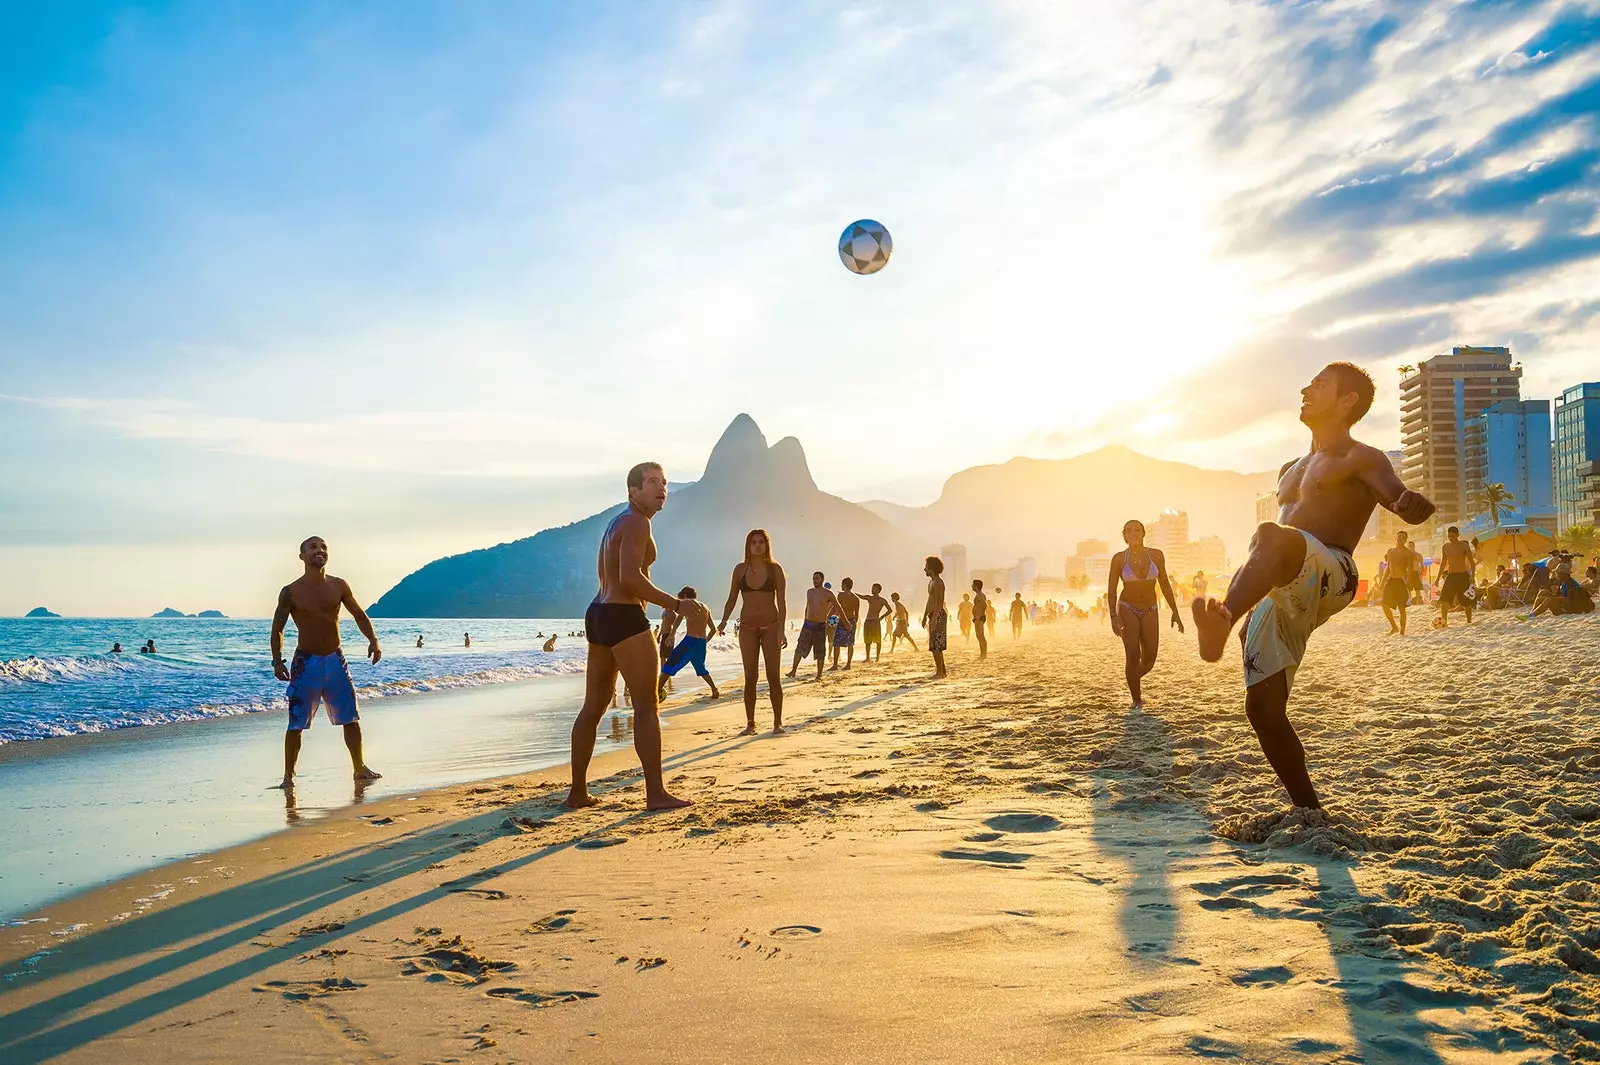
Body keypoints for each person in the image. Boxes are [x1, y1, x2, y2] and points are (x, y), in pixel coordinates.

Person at [1192, 363, 1435, 810]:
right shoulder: (1290, 469)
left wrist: (1409, 505)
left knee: (1268, 534)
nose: (1306, 389)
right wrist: (1254, 602)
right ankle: (1308, 809)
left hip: (1333, 572)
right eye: (1308, 383)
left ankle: (1221, 619)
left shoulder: (1362, 457)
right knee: (1263, 711)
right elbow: (1273, 548)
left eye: (1320, 385)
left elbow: (1395, 496)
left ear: (1348, 402)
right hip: (1283, 585)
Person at [564, 462, 693, 811]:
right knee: (646, 705)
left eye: (664, 483)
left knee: (593, 707)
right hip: (622, 614)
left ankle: (577, 793)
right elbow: (630, 578)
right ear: (633, 491)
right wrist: (675, 604)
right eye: (652, 482)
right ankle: (656, 794)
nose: (661, 488)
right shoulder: (638, 521)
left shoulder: (617, 522)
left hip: (598, 613)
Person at [269, 535, 383, 790]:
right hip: (305, 662)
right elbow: (278, 627)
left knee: (351, 717)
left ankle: (359, 768)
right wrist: (277, 661)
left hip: (335, 660)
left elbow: (359, 614)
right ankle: (289, 776)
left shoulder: (339, 585)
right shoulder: (291, 591)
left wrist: (373, 640)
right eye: (312, 547)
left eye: (323, 547)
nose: (319, 550)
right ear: (302, 556)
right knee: (296, 722)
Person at [718, 529, 788, 734]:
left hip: (771, 626)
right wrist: (723, 621)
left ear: (766, 545)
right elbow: (732, 598)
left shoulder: (775, 570)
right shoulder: (740, 570)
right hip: (747, 628)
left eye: (761, 542)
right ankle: (750, 724)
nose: (757, 545)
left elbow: (782, 602)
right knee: (750, 676)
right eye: (753, 542)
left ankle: (777, 723)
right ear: (748, 546)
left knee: (773, 675)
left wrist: (781, 630)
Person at [1107, 519, 1183, 710]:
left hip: (1151, 608)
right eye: (1129, 531)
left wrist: (1175, 611)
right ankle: (1136, 698)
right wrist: (1113, 617)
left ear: (1143, 533)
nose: (1133, 533)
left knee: (1149, 660)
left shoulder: (1156, 555)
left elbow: (1164, 583)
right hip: (1126, 608)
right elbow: (1112, 589)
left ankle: (1132, 677)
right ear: (1124, 535)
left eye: (1137, 530)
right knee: (1132, 655)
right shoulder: (1118, 559)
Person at [659, 586, 721, 700]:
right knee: (701, 668)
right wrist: (704, 642)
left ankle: (655, 692)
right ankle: (714, 689)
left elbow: (679, 618)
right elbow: (713, 629)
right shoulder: (705, 608)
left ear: (686, 596)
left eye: (681, 600)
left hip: (690, 641)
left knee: (669, 665)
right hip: (701, 643)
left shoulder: (688, 603)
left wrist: (672, 635)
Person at [787, 572, 841, 681]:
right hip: (808, 624)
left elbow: (838, 608)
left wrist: (846, 622)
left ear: (822, 579)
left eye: (816, 578)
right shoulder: (809, 592)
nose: (814, 580)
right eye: (813, 578)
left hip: (820, 625)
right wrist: (804, 619)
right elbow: (807, 607)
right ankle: (793, 671)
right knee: (799, 648)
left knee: (820, 651)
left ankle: (819, 675)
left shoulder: (828, 594)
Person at [1436, 526, 1477, 628]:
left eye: (1453, 536)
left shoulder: (1464, 546)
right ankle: (1444, 622)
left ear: (1458, 535)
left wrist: (1472, 575)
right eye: (1449, 536)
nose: (1451, 538)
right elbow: (1443, 563)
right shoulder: (1445, 547)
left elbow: (1472, 562)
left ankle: (1469, 622)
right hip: (1451, 576)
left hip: (1463, 576)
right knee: (1444, 600)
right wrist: (1437, 578)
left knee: (1466, 601)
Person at [1380, 531, 1416, 634]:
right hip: (1391, 581)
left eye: (1403, 537)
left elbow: (1410, 570)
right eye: (1399, 536)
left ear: (1405, 540)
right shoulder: (1391, 551)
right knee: (1384, 605)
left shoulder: (1408, 553)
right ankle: (1394, 627)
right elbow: (1387, 568)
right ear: (1396, 538)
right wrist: (1382, 582)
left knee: (1401, 608)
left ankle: (1402, 631)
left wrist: (1408, 584)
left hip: (1401, 581)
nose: (1400, 538)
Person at [921, 556, 948, 678]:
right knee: (934, 645)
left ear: (931, 568)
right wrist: (924, 616)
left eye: (926, 567)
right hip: (932, 615)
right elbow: (929, 600)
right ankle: (942, 671)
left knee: (936, 646)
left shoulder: (938, 582)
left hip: (938, 615)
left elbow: (939, 602)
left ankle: (940, 672)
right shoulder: (931, 582)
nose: (924, 570)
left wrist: (935, 619)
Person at [831, 577, 862, 670]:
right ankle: (848, 664)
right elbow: (856, 614)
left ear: (844, 585)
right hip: (852, 620)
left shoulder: (841, 595)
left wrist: (830, 617)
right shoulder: (856, 598)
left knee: (836, 643)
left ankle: (835, 665)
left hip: (842, 621)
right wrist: (853, 624)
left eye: (842, 584)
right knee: (850, 644)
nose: (841, 586)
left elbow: (836, 608)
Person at [859, 582, 891, 663]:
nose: (872, 589)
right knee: (867, 641)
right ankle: (867, 657)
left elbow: (890, 610)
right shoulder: (870, 598)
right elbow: (861, 596)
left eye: (874, 588)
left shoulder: (882, 600)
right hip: (867, 621)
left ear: (878, 590)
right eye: (872, 588)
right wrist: (852, 593)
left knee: (878, 640)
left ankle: (877, 657)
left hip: (875, 621)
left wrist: (880, 618)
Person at [970, 579, 989, 659]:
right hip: (977, 617)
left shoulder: (980, 595)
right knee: (979, 636)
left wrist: (981, 615)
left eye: (973, 585)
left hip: (979, 617)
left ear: (976, 586)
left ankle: (983, 654)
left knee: (980, 636)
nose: (971, 586)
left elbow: (984, 604)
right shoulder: (979, 594)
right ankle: (982, 653)